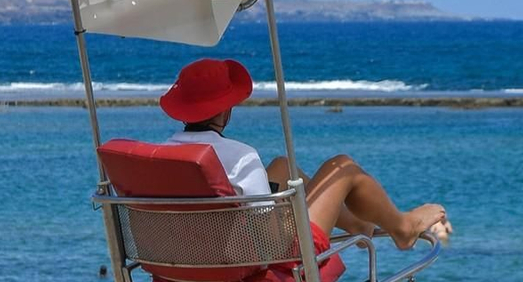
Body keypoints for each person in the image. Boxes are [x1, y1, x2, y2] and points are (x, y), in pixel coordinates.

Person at [159, 57, 449, 252]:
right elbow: (263, 220)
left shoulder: (162, 157)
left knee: (284, 168)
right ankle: (403, 227)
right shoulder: (239, 156)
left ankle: (357, 224)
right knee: (341, 167)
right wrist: (290, 209)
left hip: (190, 260)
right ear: (226, 109)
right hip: (262, 257)